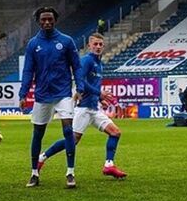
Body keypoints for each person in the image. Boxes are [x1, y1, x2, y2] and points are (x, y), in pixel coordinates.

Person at [37, 33, 127, 179]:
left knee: (115, 133)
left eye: (100, 44)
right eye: (95, 44)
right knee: (73, 140)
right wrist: (99, 93)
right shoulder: (86, 60)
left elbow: (92, 84)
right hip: (83, 108)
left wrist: (99, 98)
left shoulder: (99, 64)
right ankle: (42, 157)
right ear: (89, 45)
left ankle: (109, 165)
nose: (98, 47)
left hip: (93, 108)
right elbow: (81, 81)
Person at [19, 7, 83, 188]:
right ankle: (34, 173)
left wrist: (80, 87)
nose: (47, 22)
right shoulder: (33, 44)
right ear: (38, 21)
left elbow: (77, 66)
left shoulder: (66, 41)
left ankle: (70, 173)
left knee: (68, 131)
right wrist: (23, 93)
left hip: (63, 93)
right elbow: (28, 70)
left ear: (55, 20)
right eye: (43, 19)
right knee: (38, 134)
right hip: (42, 95)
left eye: (50, 19)